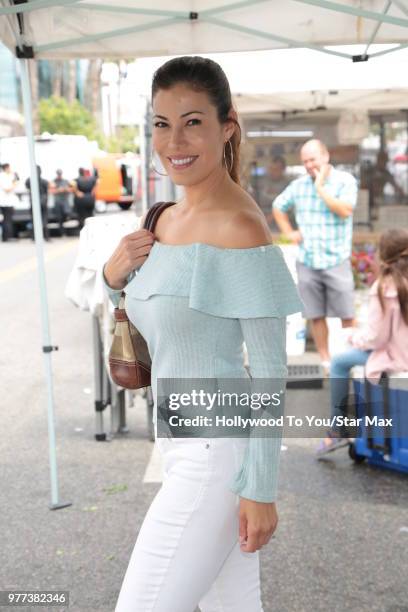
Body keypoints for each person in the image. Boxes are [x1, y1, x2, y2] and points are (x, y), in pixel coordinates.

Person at [103, 56, 303, 612]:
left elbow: (269, 369)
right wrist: (111, 277)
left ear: (227, 126)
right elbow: (146, 312)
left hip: (217, 458)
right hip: (179, 445)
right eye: (162, 124)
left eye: (193, 121)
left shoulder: (239, 227)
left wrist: (259, 488)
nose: (175, 140)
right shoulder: (163, 218)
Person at [316, 228, 408, 455]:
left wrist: (352, 336)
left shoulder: (385, 287)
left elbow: (377, 339)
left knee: (338, 362)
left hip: (397, 355)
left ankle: (338, 429)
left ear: (383, 255)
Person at [273, 139, 358, 375]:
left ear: (326, 156)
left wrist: (321, 188)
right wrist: (288, 232)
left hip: (336, 259)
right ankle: (326, 361)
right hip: (308, 260)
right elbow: (278, 206)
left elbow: (345, 210)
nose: (309, 165)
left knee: (347, 314)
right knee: (315, 314)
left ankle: (351, 359)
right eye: (305, 162)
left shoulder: (345, 181)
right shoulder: (298, 185)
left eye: (312, 159)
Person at [25, 165, 50, 241]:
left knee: (34, 220)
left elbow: (27, 187)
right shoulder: (44, 181)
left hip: (34, 202)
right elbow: (47, 190)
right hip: (43, 202)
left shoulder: (29, 180)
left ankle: (33, 237)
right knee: (44, 220)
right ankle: (46, 237)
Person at [0, 163, 19, 241]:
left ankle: (6, 237)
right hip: (5, 202)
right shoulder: (2, 176)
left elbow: (16, 179)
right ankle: (7, 237)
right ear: (6, 168)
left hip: (7, 202)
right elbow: (7, 189)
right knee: (7, 220)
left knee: (6, 220)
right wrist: (14, 185)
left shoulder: (8, 176)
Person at [50, 169, 72, 236]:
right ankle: (62, 232)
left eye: (60, 174)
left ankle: (66, 227)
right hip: (58, 201)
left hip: (65, 201)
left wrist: (66, 189)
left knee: (66, 213)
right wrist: (59, 190)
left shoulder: (65, 181)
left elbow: (71, 189)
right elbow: (51, 191)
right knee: (59, 218)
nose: (59, 175)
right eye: (58, 174)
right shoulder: (53, 181)